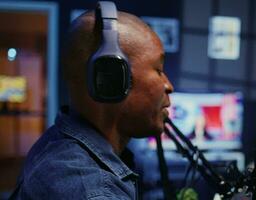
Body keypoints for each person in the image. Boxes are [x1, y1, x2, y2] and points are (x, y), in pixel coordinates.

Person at [10, 3, 173, 200]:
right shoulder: (91, 190)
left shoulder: (58, 143)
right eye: (158, 69)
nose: (168, 85)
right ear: (113, 80)